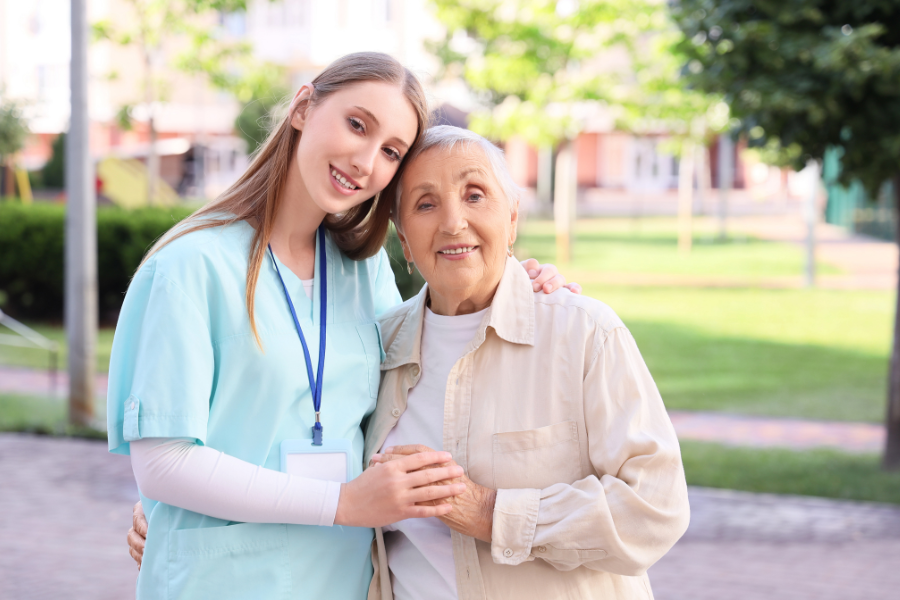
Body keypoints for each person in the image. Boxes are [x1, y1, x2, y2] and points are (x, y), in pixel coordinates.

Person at [108, 54, 574, 600]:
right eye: (357, 125)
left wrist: (508, 284)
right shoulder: (191, 266)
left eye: (391, 151)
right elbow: (164, 464)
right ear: (304, 107)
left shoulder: (363, 269)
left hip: (344, 581)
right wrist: (343, 503)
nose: (365, 161)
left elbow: (416, 386)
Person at [360, 126, 691, 599]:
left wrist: (490, 513)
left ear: (512, 218)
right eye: (425, 204)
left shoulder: (584, 332)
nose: (453, 222)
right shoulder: (376, 348)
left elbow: (655, 509)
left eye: (475, 195)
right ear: (404, 239)